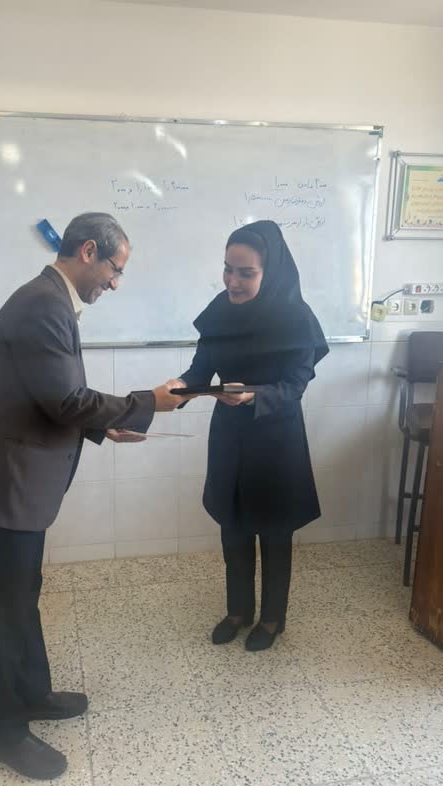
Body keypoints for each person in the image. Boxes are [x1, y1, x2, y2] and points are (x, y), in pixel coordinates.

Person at [0, 212, 184, 780]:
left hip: (13, 487)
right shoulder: (42, 305)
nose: (115, 284)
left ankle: (32, 694)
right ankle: (4, 732)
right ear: (89, 251)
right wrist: (147, 401)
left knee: (21, 596)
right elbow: (68, 401)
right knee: (3, 611)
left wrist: (106, 425)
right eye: (115, 270)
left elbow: (49, 396)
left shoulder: (51, 300)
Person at [174, 220, 328, 652]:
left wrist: (252, 395)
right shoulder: (220, 310)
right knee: (234, 526)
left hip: (277, 438)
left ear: (270, 271)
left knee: (275, 532)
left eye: (246, 273)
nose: (233, 281)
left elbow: (294, 385)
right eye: (228, 269)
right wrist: (175, 390)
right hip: (231, 434)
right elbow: (200, 372)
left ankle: (273, 618)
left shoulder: (295, 317)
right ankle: (237, 610)